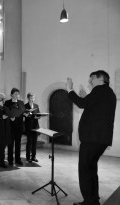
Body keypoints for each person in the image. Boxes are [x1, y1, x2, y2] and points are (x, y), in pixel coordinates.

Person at [67, 70, 116, 205]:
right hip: (99, 139)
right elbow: (90, 106)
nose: (89, 82)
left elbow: (82, 104)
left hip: (92, 139)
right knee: (91, 169)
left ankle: (89, 201)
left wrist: (70, 90)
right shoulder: (108, 92)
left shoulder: (100, 90)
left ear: (101, 79)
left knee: (84, 170)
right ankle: (93, 200)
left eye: (91, 79)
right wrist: (85, 97)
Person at [4, 88, 27, 166]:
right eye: (15, 94)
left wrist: (25, 114)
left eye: (18, 94)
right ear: (11, 95)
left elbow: (22, 112)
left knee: (18, 144)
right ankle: (10, 160)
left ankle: (18, 159)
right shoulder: (7, 103)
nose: (17, 95)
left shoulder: (21, 103)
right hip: (11, 126)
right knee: (10, 144)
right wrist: (10, 117)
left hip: (19, 126)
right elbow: (5, 112)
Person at [24, 93, 40, 163]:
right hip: (29, 126)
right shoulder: (25, 106)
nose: (32, 99)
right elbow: (25, 115)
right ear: (28, 98)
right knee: (29, 142)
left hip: (35, 126)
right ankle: (28, 157)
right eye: (31, 98)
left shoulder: (36, 105)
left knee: (34, 142)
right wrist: (28, 115)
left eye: (33, 98)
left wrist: (38, 116)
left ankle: (34, 156)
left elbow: (39, 114)